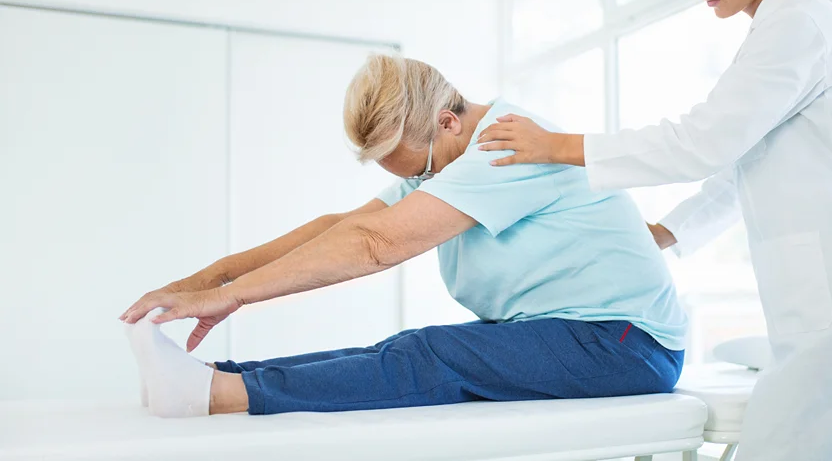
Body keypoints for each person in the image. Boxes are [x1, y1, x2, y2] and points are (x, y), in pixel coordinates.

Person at [476, 0, 832, 459]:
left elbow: (703, 141)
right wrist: (666, 232)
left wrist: (558, 146)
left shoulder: (801, 26)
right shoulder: (780, 29)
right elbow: (742, 158)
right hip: (831, 291)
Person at [119, 54, 688, 418]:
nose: (420, 183)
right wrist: (209, 279)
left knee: (428, 353)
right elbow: (343, 228)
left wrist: (229, 297)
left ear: (447, 121)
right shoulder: (451, 151)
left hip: (629, 344)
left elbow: (377, 244)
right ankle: (212, 379)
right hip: (567, 331)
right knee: (397, 351)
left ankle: (216, 397)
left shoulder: (505, 147)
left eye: (422, 170)